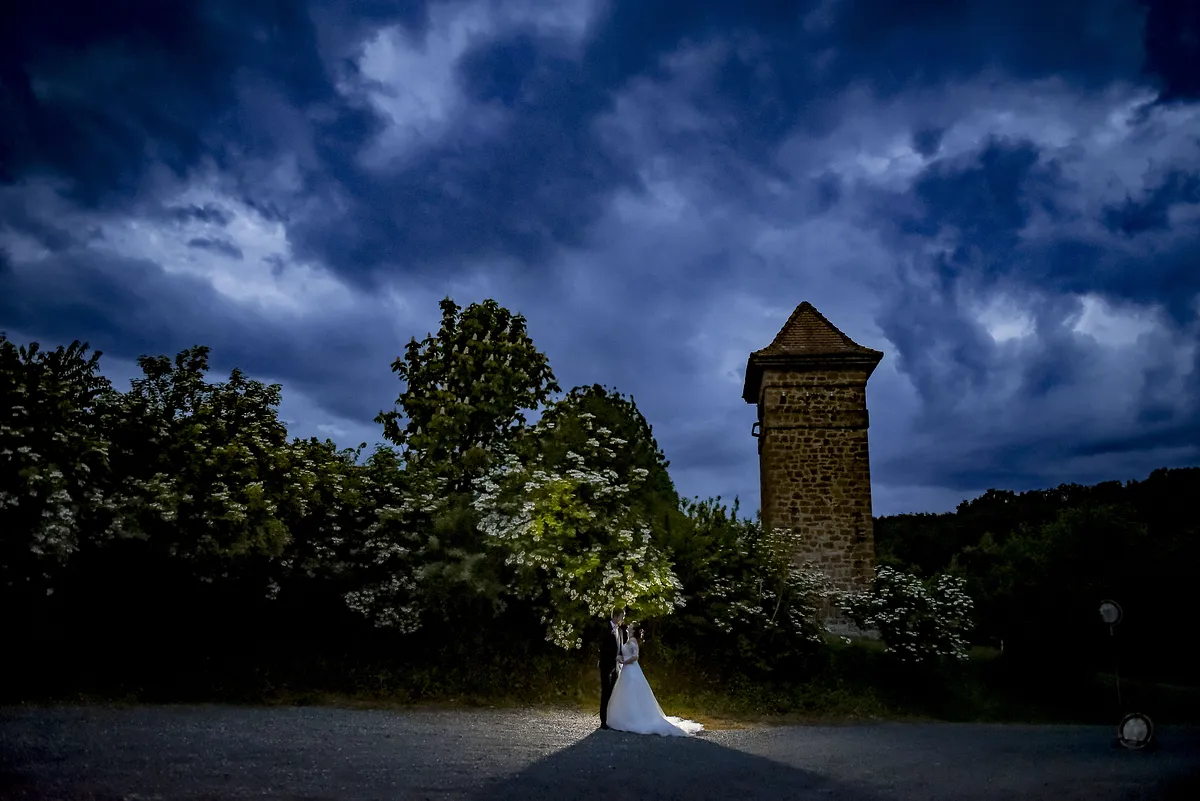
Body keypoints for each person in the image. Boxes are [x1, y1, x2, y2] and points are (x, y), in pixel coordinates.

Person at [606, 624, 704, 736]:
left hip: (632, 669)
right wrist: (620, 658)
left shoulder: (633, 641)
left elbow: (635, 656)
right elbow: (626, 654)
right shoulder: (628, 639)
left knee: (632, 691)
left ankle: (634, 718)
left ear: (633, 630)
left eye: (631, 626)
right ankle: (625, 717)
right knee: (625, 692)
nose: (628, 626)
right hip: (626, 669)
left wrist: (624, 661)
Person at [598, 608, 625, 730]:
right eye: (621, 616)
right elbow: (602, 647)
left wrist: (621, 658)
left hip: (616, 666)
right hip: (606, 665)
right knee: (605, 692)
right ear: (615, 616)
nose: (622, 619)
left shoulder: (620, 630)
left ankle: (611, 718)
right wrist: (615, 656)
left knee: (613, 692)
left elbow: (620, 647)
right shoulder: (605, 628)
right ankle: (603, 720)